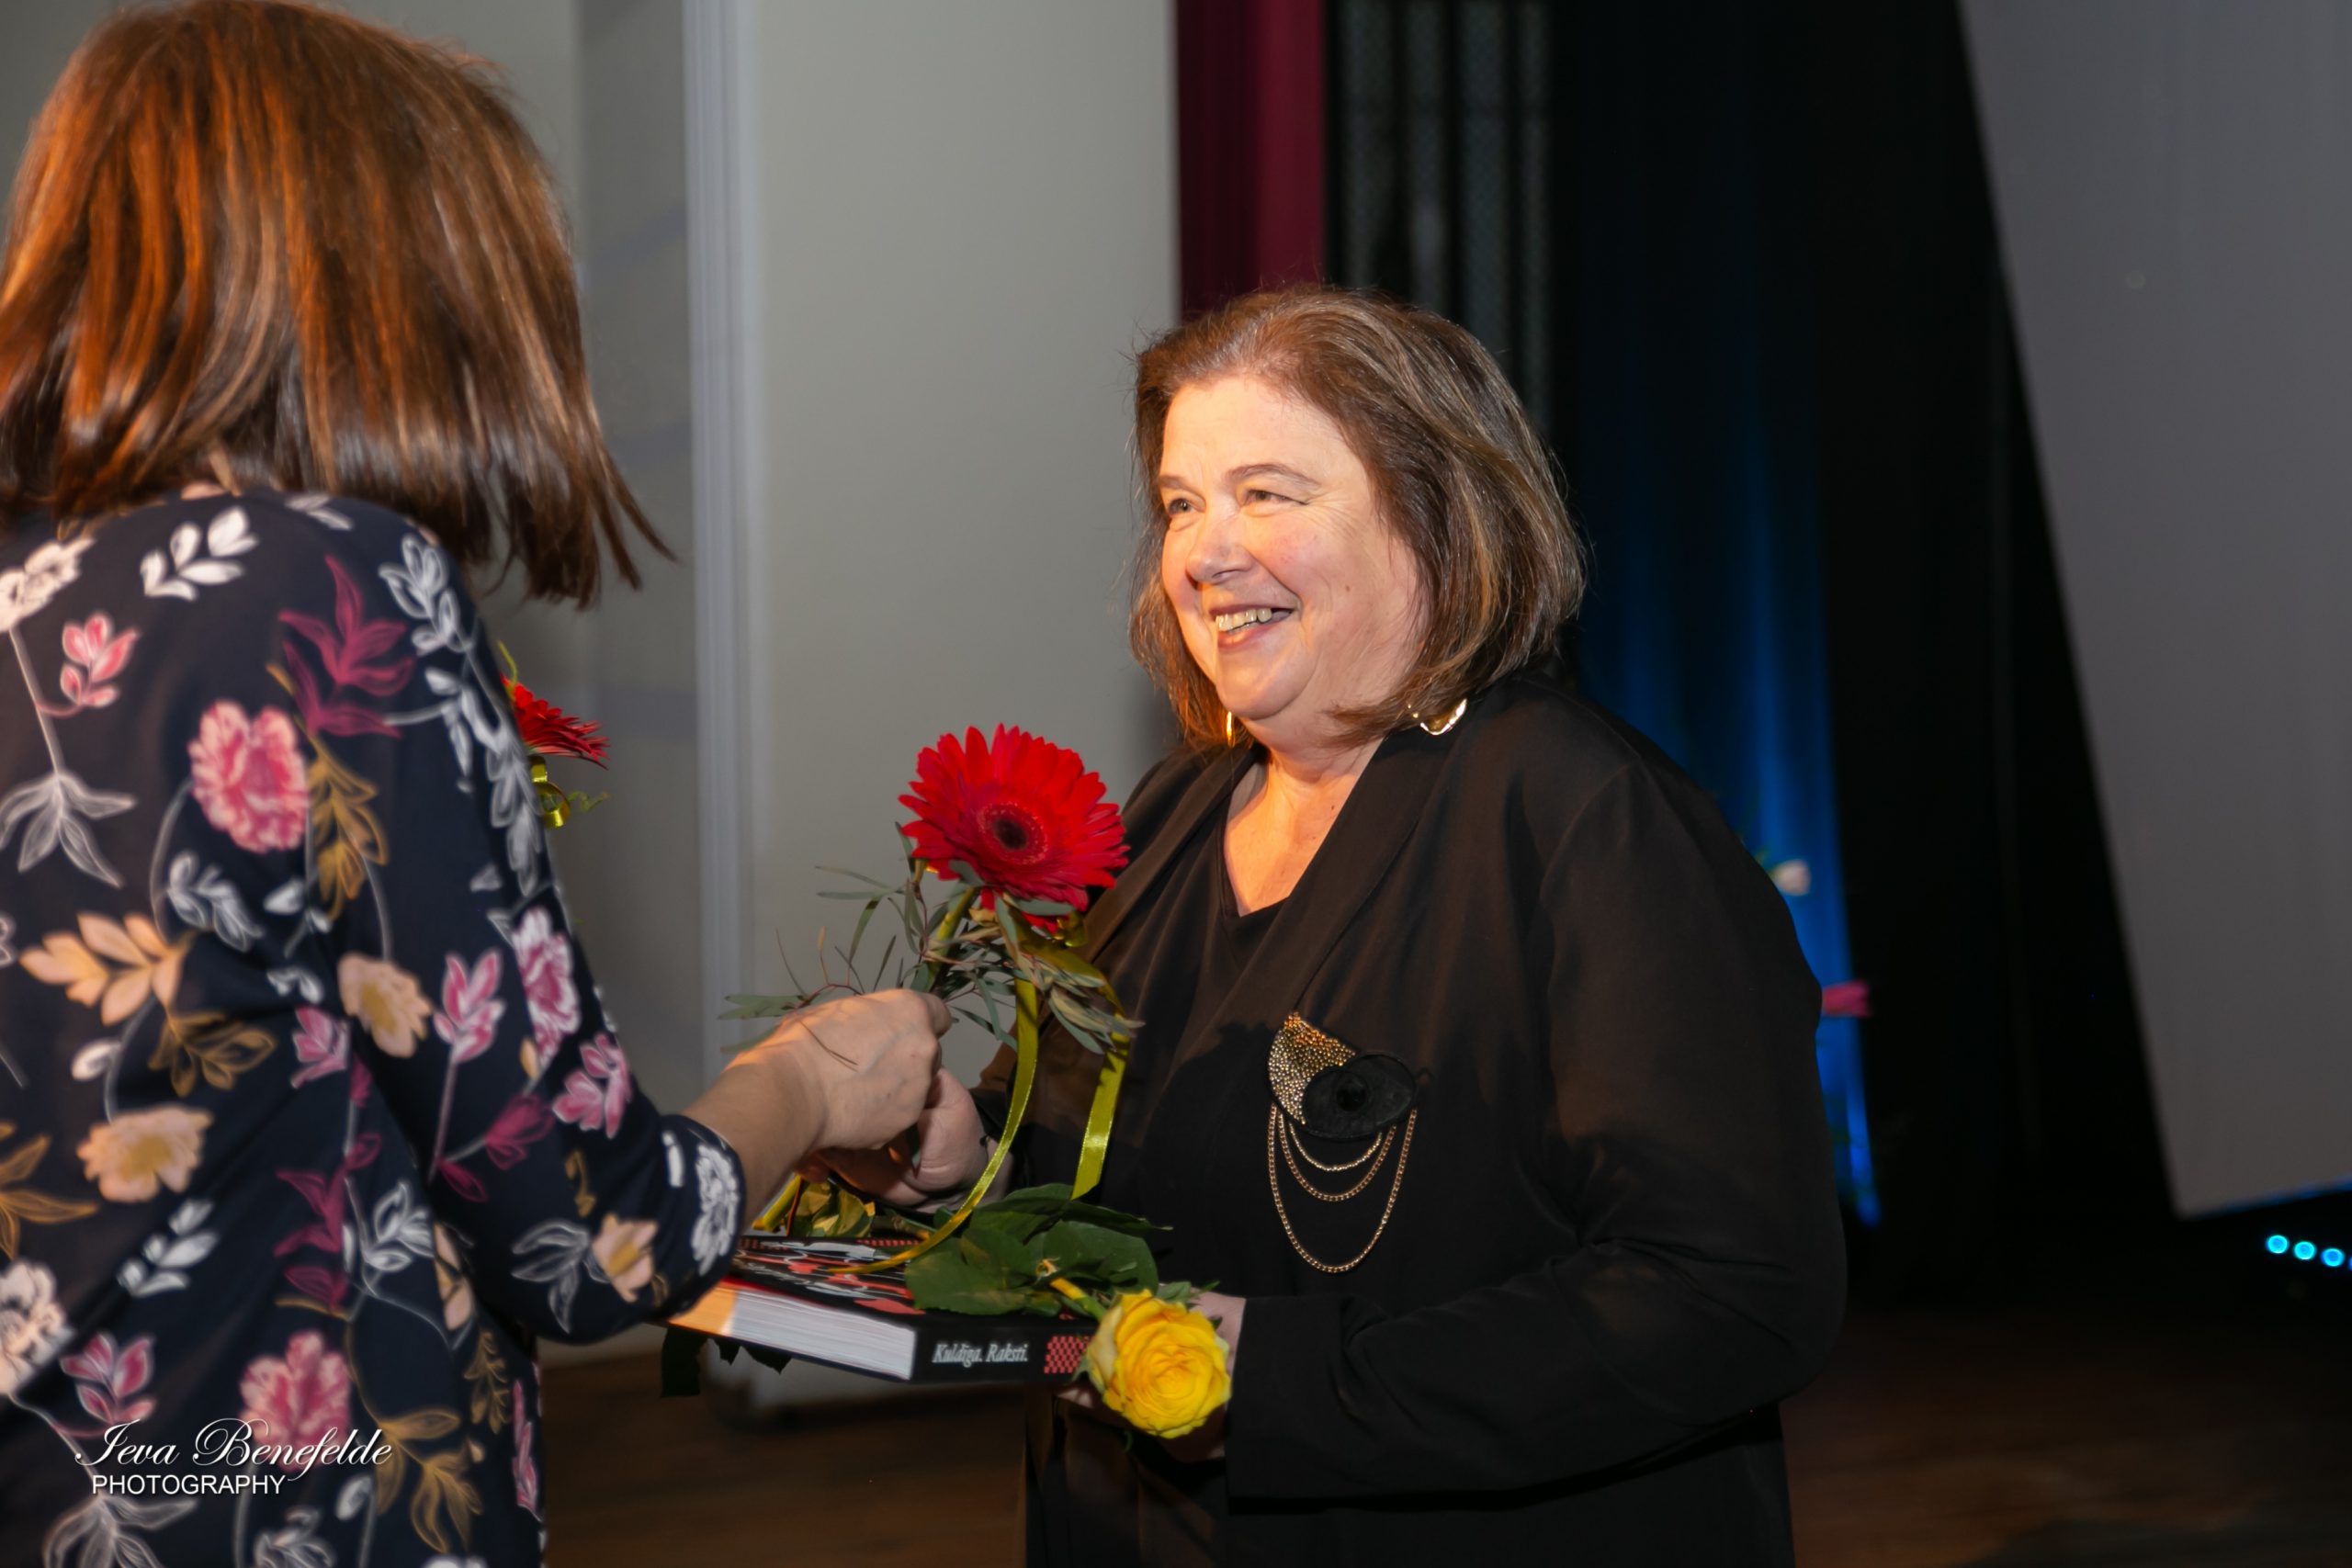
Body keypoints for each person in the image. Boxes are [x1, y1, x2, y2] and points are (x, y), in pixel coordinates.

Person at [0, 6, 944, 1565]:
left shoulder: (39, 595)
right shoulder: (319, 587)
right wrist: (814, 1085)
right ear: (380, 278)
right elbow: (588, 1235)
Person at [861, 288, 1849, 1564]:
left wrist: (1280, 1388)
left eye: (1267, 493)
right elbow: (1092, 1170)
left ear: (1437, 516)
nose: (1205, 552)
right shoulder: (1170, 815)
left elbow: (1735, 1291)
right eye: (1181, 504)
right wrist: (958, 1161)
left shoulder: (1586, 820)